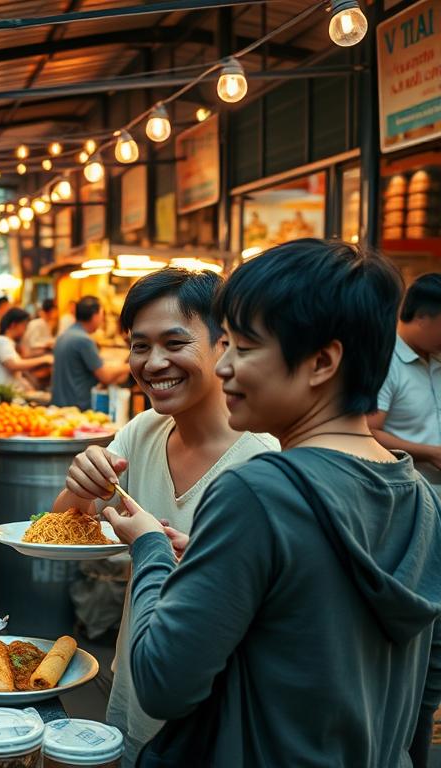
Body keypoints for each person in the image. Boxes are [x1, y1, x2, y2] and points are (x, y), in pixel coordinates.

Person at [104, 240, 441, 768]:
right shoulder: (421, 495)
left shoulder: (258, 491)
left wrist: (149, 547)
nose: (224, 367)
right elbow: (424, 677)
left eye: (244, 346)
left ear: (322, 361)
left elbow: (161, 685)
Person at [51, 269, 278, 766]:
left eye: (175, 343)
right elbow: (60, 527)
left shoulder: (265, 462)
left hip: (217, 721)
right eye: (139, 346)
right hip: (135, 694)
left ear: (225, 345)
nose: (154, 363)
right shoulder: (142, 431)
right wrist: (79, 487)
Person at [368, 273, 441, 494]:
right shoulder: (385, 362)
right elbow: (368, 431)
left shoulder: (436, 356)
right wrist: (430, 453)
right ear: (421, 318)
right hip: (409, 491)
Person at [51, 296, 128, 409]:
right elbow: (105, 376)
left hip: (60, 403)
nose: (102, 320)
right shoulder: (83, 340)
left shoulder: (64, 335)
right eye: (102, 314)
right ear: (95, 315)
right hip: (76, 407)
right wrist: (129, 366)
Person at [0, 308, 54, 388]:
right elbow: (14, 364)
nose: (25, 331)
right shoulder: (2, 341)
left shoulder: (5, 342)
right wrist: (44, 359)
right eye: (24, 326)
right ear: (13, 325)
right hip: (1, 397)